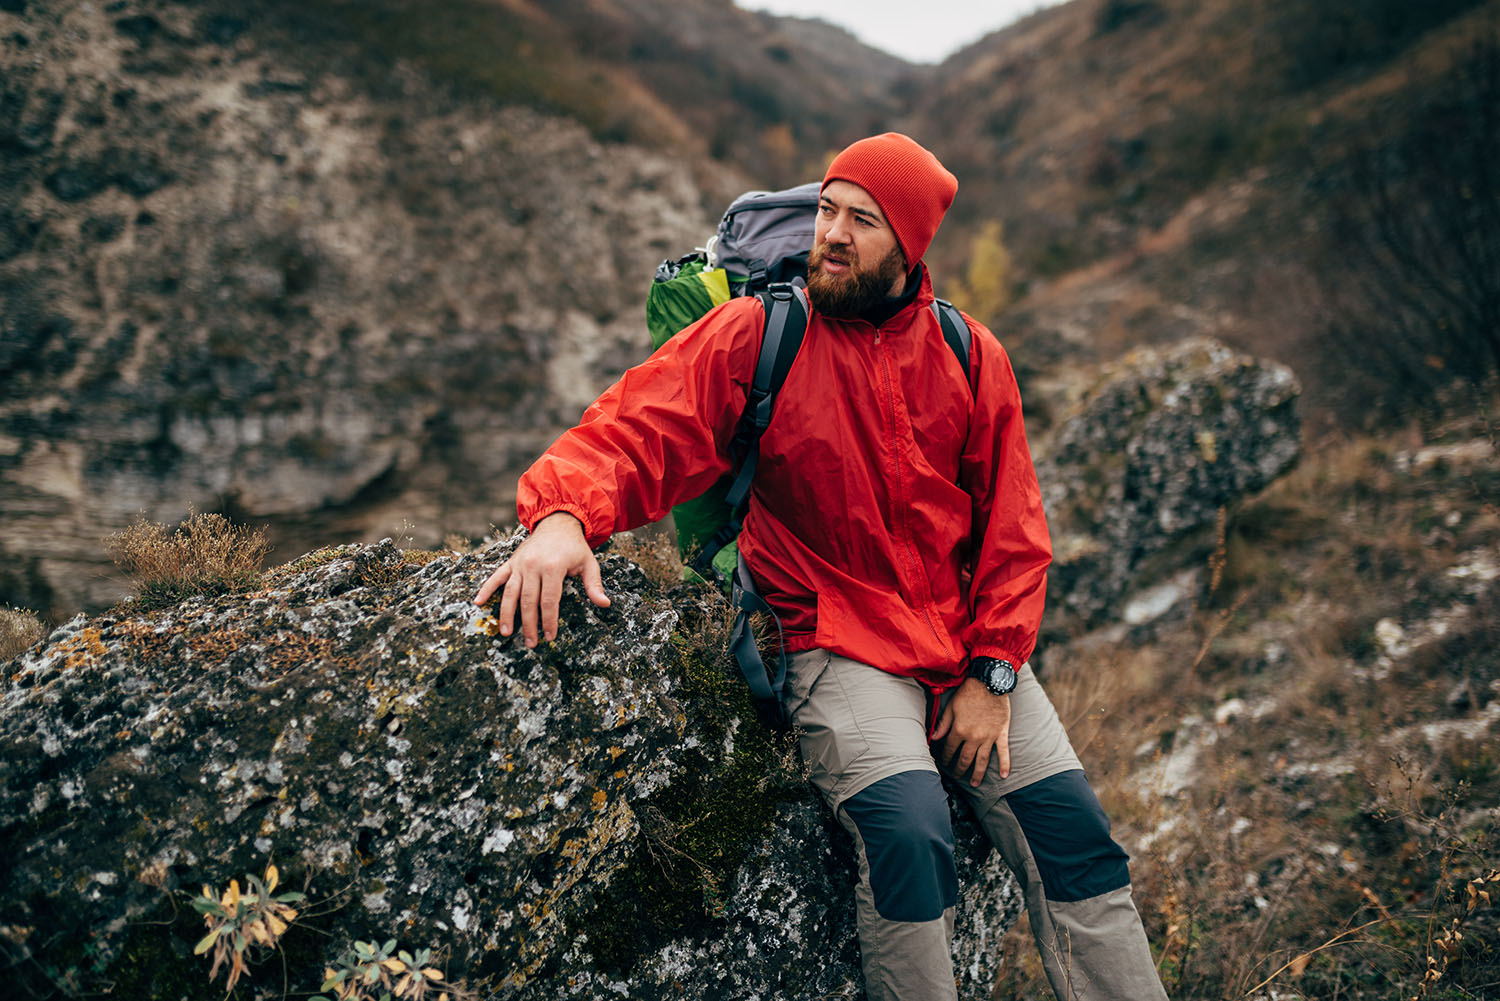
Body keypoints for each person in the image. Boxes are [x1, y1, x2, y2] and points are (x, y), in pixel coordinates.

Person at [473, 133, 1167, 1001]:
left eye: (861, 220)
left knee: (1076, 836)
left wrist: (993, 672)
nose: (831, 234)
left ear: (909, 245)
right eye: (826, 210)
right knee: (910, 834)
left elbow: (1015, 529)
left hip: (965, 642)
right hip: (834, 637)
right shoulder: (761, 331)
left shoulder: (968, 351)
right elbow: (637, 425)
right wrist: (564, 513)